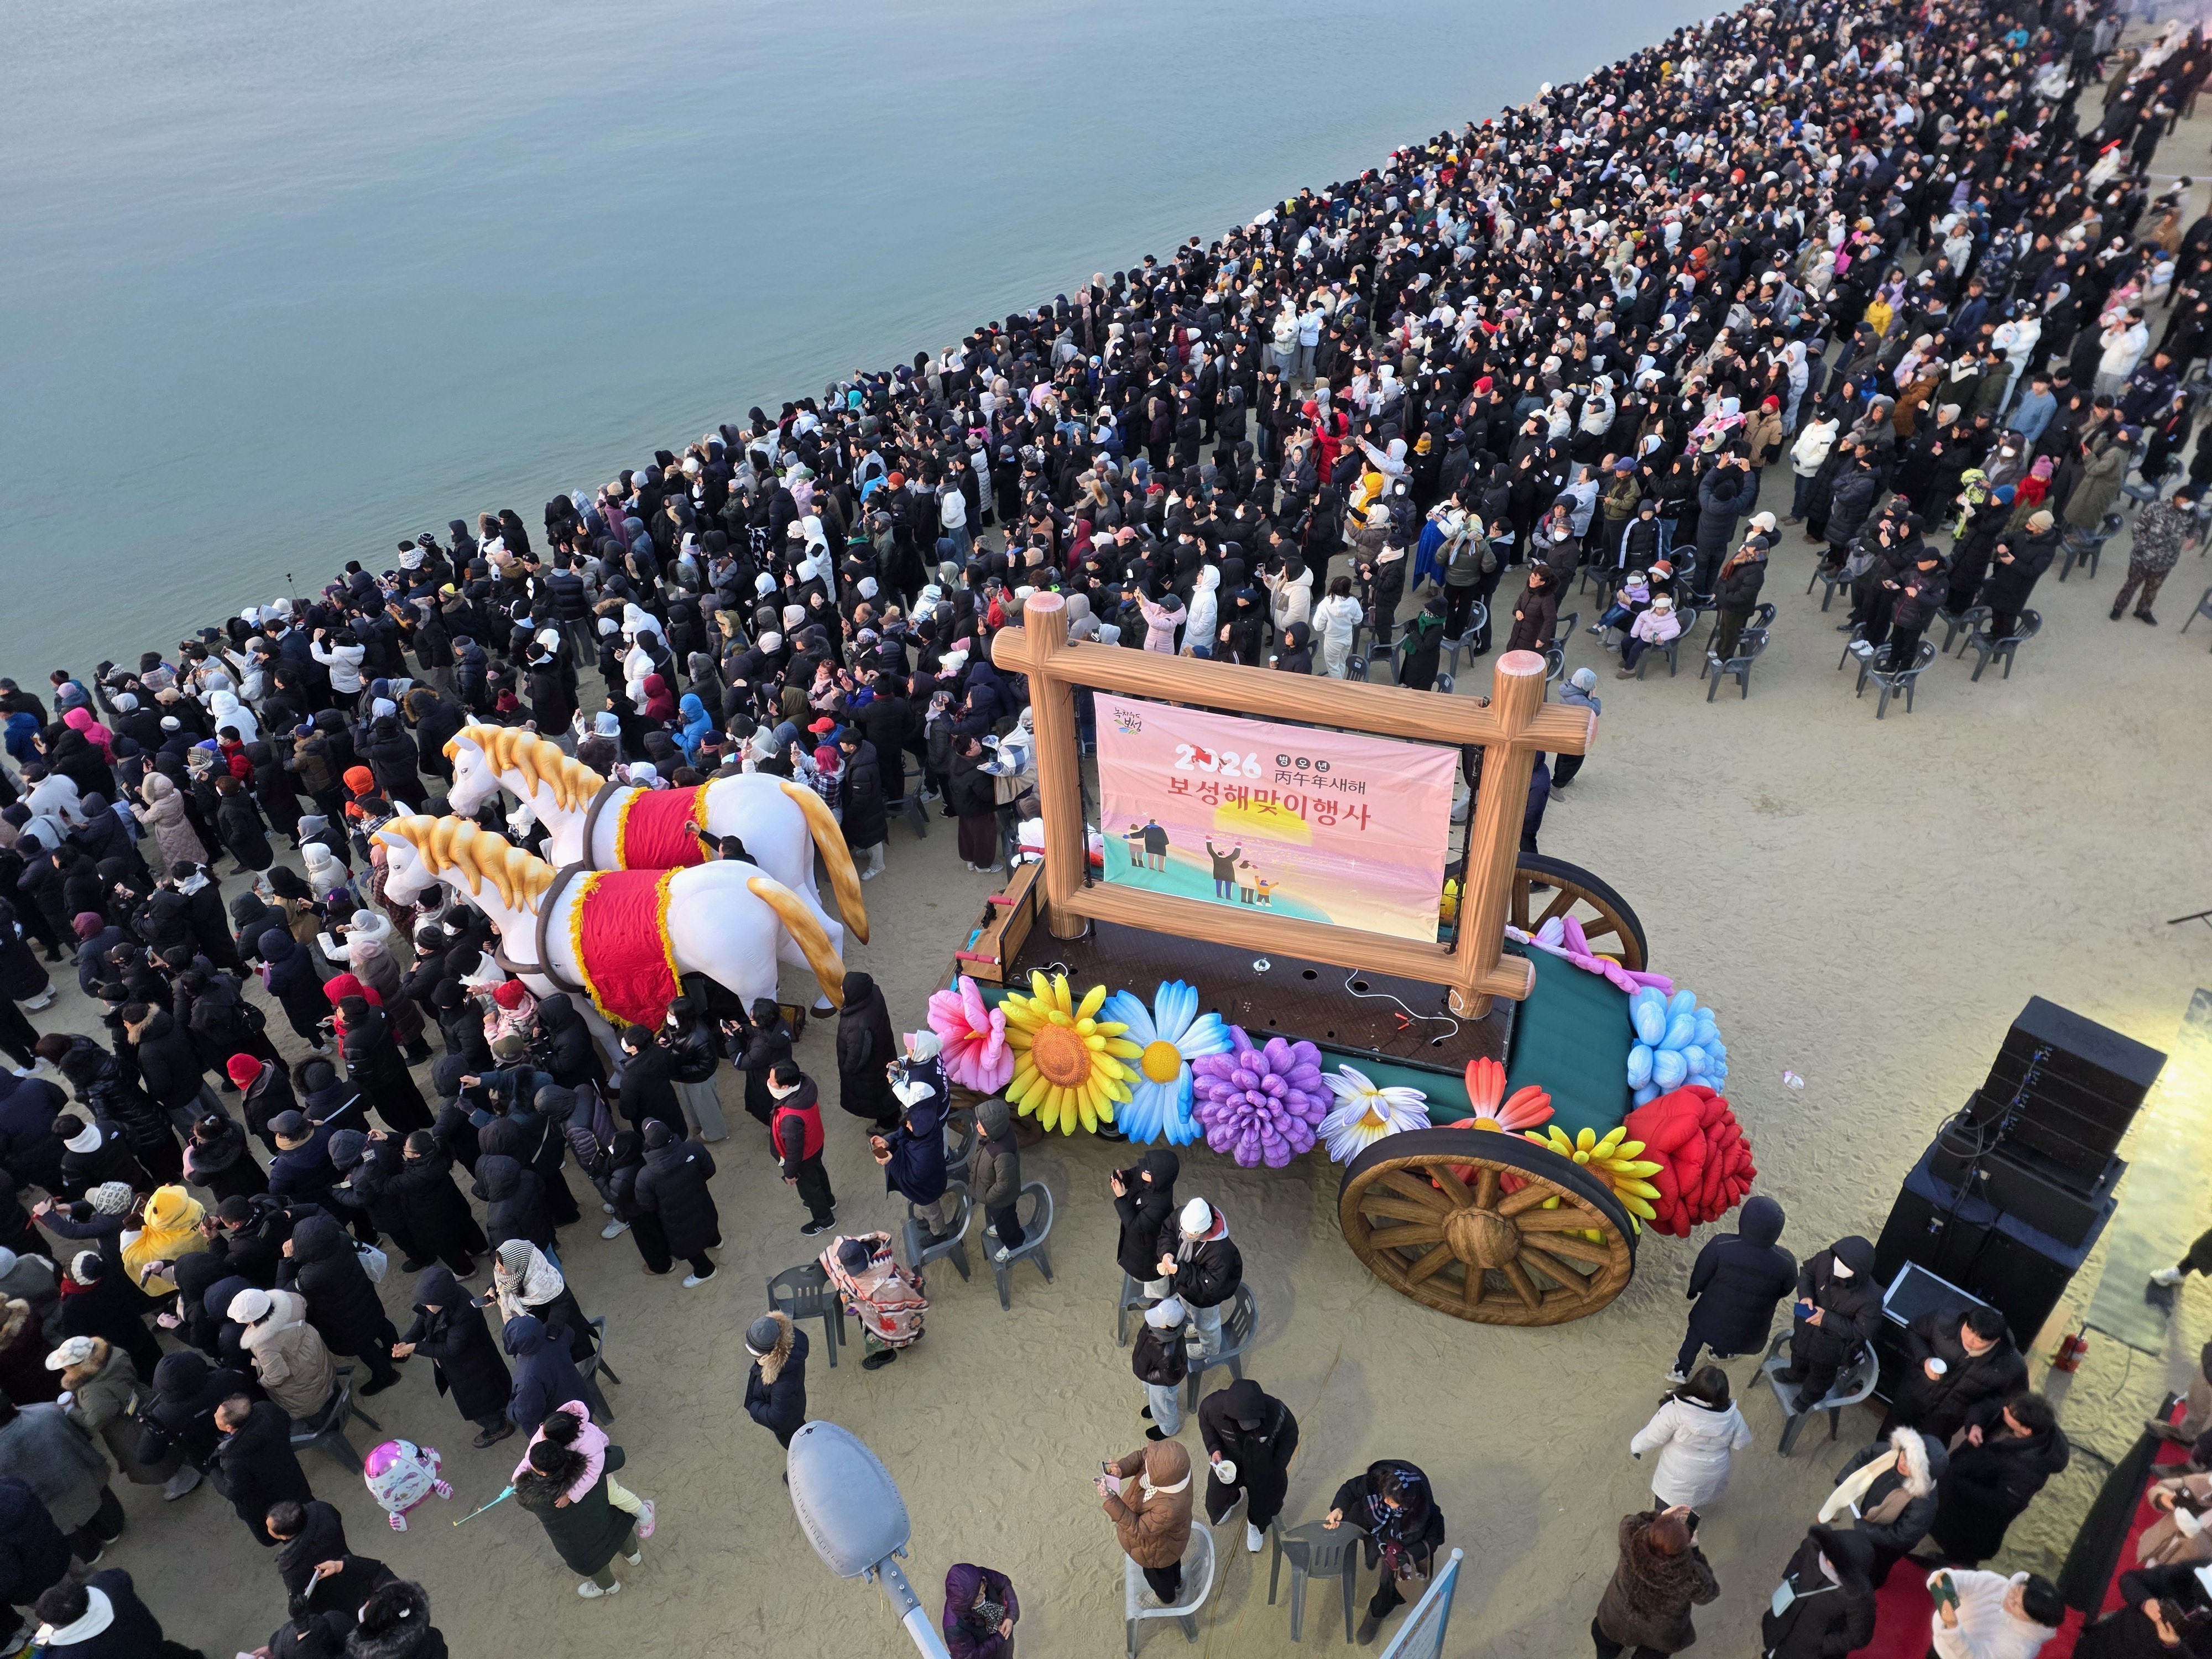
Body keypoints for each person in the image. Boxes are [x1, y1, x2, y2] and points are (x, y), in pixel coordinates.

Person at [1927, 1392, 2070, 1566]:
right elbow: (1986, 1406)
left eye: (2010, 1413)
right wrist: (1975, 1424)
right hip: (1957, 1483)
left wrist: (1958, 1484)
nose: (2004, 1410)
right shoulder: (2018, 1411)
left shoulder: (2029, 1470)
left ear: (2026, 1431)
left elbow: (2002, 1504)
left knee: (1958, 1550)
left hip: (1971, 1517)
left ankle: (1951, 1564)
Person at [512, 1422, 645, 1600]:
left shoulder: (533, 1498)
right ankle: (633, 1555)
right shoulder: (590, 1466)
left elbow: (521, 1498)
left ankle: (608, 1586)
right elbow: (617, 1456)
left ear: (543, 1473)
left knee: (594, 1561)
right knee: (620, 1532)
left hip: (579, 1540)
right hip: (607, 1517)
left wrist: (520, 1482)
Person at [1672, 1193, 1793, 1382]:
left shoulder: (1722, 1244)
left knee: (1696, 1335)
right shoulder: (1786, 1262)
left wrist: (1694, 1289)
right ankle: (1719, 1354)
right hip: (1749, 1327)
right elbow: (1786, 1290)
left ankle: (1681, 1371)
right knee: (1730, 1337)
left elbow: (1702, 1271)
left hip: (1710, 1313)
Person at [1326, 1458, 1447, 1645]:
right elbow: (1351, 1488)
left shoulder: (1425, 1513)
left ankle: (1376, 1614)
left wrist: (1407, 1555)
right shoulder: (1378, 1482)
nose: (1386, 1502)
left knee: (1389, 1585)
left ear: (1407, 1503)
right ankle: (1370, 1538)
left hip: (1400, 1548)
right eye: (1386, 1497)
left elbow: (1435, 1539)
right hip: (1375, 1520)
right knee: (1352, 1515)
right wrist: (1338, 1509)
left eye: (1392, 1502)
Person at [279, 1214, 402, 1394]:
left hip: (345, 1318)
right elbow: (319, 1211)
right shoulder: (341, 1239)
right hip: (365, 1297)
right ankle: (398, 1353)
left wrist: (287, 1259)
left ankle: (387, 1376)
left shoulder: (311, 1276)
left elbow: (284, 1293)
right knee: (381, 1323)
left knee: (364, 1346)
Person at [392, 1265, 512, 1448]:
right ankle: (503, 1409)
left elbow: (451, 1349)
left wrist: (416, 1347)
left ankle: (499, 1428)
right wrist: (407, 1340)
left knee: (480, 1406)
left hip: (473, 1368)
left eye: (429, 1303)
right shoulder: (439, 1300)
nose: (426, 1307)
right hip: (467, 1367)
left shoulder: (464, 1312)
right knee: (493, 1393)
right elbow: (423, 1320)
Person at [0, 1396, 125, 1566]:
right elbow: (79, 1435)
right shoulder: (47, 1411)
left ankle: (91, 1553)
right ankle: (111, 1532)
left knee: (68, 1527)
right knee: (97, 1503)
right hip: (77, 1475)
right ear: (13, 1405)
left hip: (46, 1498)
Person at [1884, 1306, 2027, 1444]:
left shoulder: (2012, 1367)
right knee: (1886, 1440)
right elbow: (1913, 1331)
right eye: (1969, 1330)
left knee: (1928, 1455)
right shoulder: (1942, 1320)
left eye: (1980, 1340)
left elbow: (2010, 1399)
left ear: (1996, 1341)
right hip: (1910, 1397)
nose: (1970, 1341)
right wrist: (1925, 1360)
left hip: (1945, 1421)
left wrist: (1977, 1420)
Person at [1819, 1427, 1944, 1586]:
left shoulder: (1925, 1505)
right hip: (1870, 1514)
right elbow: (1865, 1455)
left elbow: (1902, 1537)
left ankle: (1872, 1584)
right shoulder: (1890, 1454)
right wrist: (1846, 1481)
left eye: (1912, 1466)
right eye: (1905, 1455)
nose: (1903, 1463)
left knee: (1876, 1567)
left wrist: (1866, 1529)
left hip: (1887, 1548)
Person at [1590, 1505, 1717, 1659]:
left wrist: (1660, 1516)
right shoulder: (1692, 1578)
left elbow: (1631, 1520)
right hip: (1659, 1636)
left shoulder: (1630, 1536)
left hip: (1615, 1618)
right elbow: (1710, 1593)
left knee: (1606, 1646)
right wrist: (1695, 1550)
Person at [1776, 1234, 1880, 1413]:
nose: (1839, 1265)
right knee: (1797, 1353)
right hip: (1805, 1329)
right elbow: (1807, 1272)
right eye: (1839, 1258)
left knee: (1821, 1375)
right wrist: (1806, 1296)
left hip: (1831, 1349)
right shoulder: (1826, 1259)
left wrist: (1826, 1319)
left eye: (1847, 1265)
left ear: (1860, 1271)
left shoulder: (1871, 1299)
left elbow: (1862, 1331)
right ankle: (1796, 1374)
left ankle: (1811, 1395)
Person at [1198, 1377, 1298, 1555]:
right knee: (1215, 1500)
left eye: (1253, 1421)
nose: (1248, 1426)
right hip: (1230, 1458)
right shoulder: (1212, 1406)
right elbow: (1205, 1422)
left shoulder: (1277, 1411)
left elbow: (1290, 1435)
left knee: (1266, 1502)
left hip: (1264, 1461)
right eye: (1243, 1422)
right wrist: (1214, 1449)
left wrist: (1277, 1465)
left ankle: (1255, 1525)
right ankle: (1233, 1498)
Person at [1628, 1367, 1752, 1510]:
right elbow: (1740, 1443)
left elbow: (1653, 1436)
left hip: (1678, 1471)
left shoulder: (1674, 1411)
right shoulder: (1734, 1416)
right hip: (1714, 1471)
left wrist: (1635, 1447)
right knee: (1696, 1498)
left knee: (1666, 1508)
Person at [1097, 1439, 1194, 1608]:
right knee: (1172, 1564)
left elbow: (1139, 1529)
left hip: (1156, 1550)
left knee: (1158, 1576)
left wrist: (1112, 1499)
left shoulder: (1169, 1507)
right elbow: (1143, 1456)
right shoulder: (1176, 1472)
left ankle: (1167, 1601)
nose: (1146, 1463)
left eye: (1150, 1467)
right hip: (1170, 1543)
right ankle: (1178, 1583)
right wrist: (1122, 1468)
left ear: (1161, 1478)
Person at [1758, 1526, 1877, 1659]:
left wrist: (1819, 1645)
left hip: (1806, 1652)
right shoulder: (1814, 1548)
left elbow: (1859, 1637)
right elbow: (1798, 1559)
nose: (1828, 1563)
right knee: (1772, 1649)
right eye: (1829, 1555)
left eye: (1836, 1563)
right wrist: (1790, 1581)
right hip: (1782, 1622)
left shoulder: (1859, 1596)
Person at [212, 1394, 314, 1546]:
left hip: (270, 1504)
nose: (215, 1415)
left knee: (290, 1534)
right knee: (308, 1514)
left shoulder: (234, 1458)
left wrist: (214, 1472)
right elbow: (285, 1419)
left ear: (229, 1428)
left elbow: (233, 1491)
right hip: (292, 1479)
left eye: (218, 1416)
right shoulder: (267, 1409)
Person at [30, 1571, 204, 1659]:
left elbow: (36, 1654)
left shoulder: (69, 1655)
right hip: (152, 1644)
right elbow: (122, 1575)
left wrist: (42, 1636)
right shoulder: (107, 1583)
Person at [228, 1286, 337, 1424]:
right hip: (316, 1356)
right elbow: (304, 1304)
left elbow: (278, 1376)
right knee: (329, 1387)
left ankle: (329, 1426)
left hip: (303, 1389)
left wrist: (262, 1381)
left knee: (319, 1414)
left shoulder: (263, 1344)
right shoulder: (290, 1299)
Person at [632, 1119, 720, 1286]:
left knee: (688, 1244)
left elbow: (647, 1205)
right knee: (707, 1220)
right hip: (701, 1201)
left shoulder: (645, 1176)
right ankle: (716, 1242)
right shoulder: (693, 1148)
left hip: (675, 1220)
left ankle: (706, 1271)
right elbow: (710, 1170)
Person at [822, 1233, 925, 1371]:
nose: (857, 1273)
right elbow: (830, 1256)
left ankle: (886, 1354)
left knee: (878, 1323)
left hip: (886, 1297)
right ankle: (907, 1338)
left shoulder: (885, 1273)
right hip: (886, 1295)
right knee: (902, 1316)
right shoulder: (850, 1249)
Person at [1159, 1197, 1240, 1359]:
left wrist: (1180, 1271)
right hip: (1185, 1286)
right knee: (1190, 1311)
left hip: (1206, 1298)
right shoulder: (1183, 1216)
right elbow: (1169, 1231)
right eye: (1184, 1230)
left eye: (1191, 1234)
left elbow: (1212, 1284)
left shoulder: (1221, 1251)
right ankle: (1197, 1326)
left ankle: (1210, 1350)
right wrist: (1167, 1252)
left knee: (1208, 1325)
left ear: (1205, 1231)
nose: (1186, 1235)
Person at [1923, 1568, 2063, 1659]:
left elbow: (1976, 1656)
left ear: (2033, 1621)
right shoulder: (1998, 1583)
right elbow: (1966, 1580)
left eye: (2017, 1605)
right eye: (2016, 1591)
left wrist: (1952, 1628)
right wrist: (1947, 1583)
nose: (2010, 1598)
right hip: (1941, 1632)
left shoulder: (2021, 1650)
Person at [766, 1061, 836, 1237]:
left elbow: (793, 1152)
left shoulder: (791, 1117)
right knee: (818, 1172)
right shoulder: (806, 1086)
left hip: (803, 1156)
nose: (769, 1082)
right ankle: (829, 1200)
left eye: (772, 1080)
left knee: (810, 1189)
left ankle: (825, 1220)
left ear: (785, 1087)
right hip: (815, 1144)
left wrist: (790, 1173)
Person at [2113, 487, 2196, 624]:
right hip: (2143, 559)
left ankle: (2143, 611)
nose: (2184, 504)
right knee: (2131, 585)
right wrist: (2144, 546)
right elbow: (2138, 528)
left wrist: (2194, 538)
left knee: (2152, 589)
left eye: (2188, 503)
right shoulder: (2156, 508)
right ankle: (2118, 608)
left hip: (2166, 562)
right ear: (2177, 496)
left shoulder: (2191, 513)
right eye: (2183, 500)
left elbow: (2195, 528)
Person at [834, 971, 898, 1129]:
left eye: (844, 991)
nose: (842, 993)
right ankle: (895, 1113)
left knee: (879, 1099)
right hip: (885, 1051)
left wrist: (847, 1068)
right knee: (889, 1086)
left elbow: (857, 1058)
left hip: (871, 1071)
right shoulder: (874, 992)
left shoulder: (857, 1024)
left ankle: (888, 1125)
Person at [1113, 1149, 1178, 1300]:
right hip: (1136, 1247)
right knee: (1138, 1269)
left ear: (1157, 1178)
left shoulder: (1159, 1205)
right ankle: (1142, 1280)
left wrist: (1122, 1198)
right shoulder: (1151, 1175)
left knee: (1154, 1278)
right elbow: (1135, 1174)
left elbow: (1135, 1228)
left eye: (1147, 1171)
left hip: (1151, 1250)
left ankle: (1158, 1299)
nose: (1142, 1170)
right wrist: (1124, 1177)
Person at [742, 1311, 807, 1455]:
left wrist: (754, 1407)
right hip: (794, 1405)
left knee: (795, 1445)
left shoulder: (781, 1384)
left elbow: (778, 1420)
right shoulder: (791, 1351)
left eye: (756, 1355)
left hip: (788, 1423)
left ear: (769, 1354)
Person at [969, 1098, 1024, 1260]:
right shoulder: (997, 1133)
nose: (977, 1126)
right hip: (993, 1193)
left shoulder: (1003, 1152)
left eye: (982, 1125)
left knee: (1006, 1221)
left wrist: (988, 1197)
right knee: (1003, 1219)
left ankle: (1015, 1245)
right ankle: (1003, 1230)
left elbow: (1004, 1185)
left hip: (1000, 1199)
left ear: (994, 1128)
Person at [1131, 1295, 1188, 1441]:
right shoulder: (1157, 1315)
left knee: (1164, 1404)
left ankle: (1169, 1428)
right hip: (1147, 1370)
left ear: (1169, 1328)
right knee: (1153, 1396)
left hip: (1161, 1383)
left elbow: (1171, 1377)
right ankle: (1154, 1406)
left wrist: (1148, 1375)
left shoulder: (1170, 1353)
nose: (1152, 1318)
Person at [941, 1563, 1019, 1659]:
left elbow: (1004, 1584)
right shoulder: (955, 1628)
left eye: (983, 1590)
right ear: (967, 1605)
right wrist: (999, 1638)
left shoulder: (979, 1577)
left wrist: (1010, 1617)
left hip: (1003, 1643)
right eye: (978, 1597)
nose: (984, 1596)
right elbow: (969, 1657)